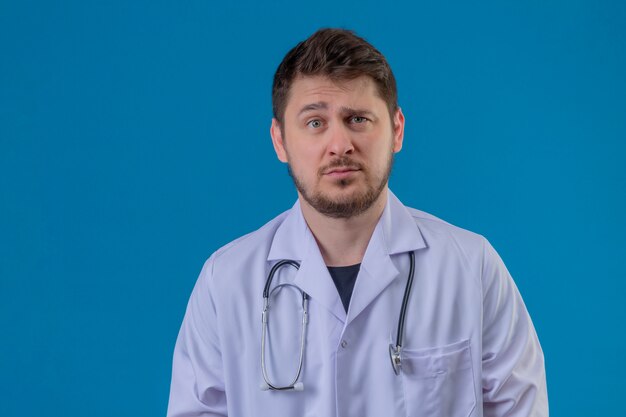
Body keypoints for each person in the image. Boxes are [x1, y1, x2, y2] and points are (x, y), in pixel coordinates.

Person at [167, 28, 548, 417]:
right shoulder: (225, 281)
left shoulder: (472, 267)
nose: (340, 144)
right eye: (315, 122)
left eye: (358, 119)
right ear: (279, 140)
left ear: (396, 130)